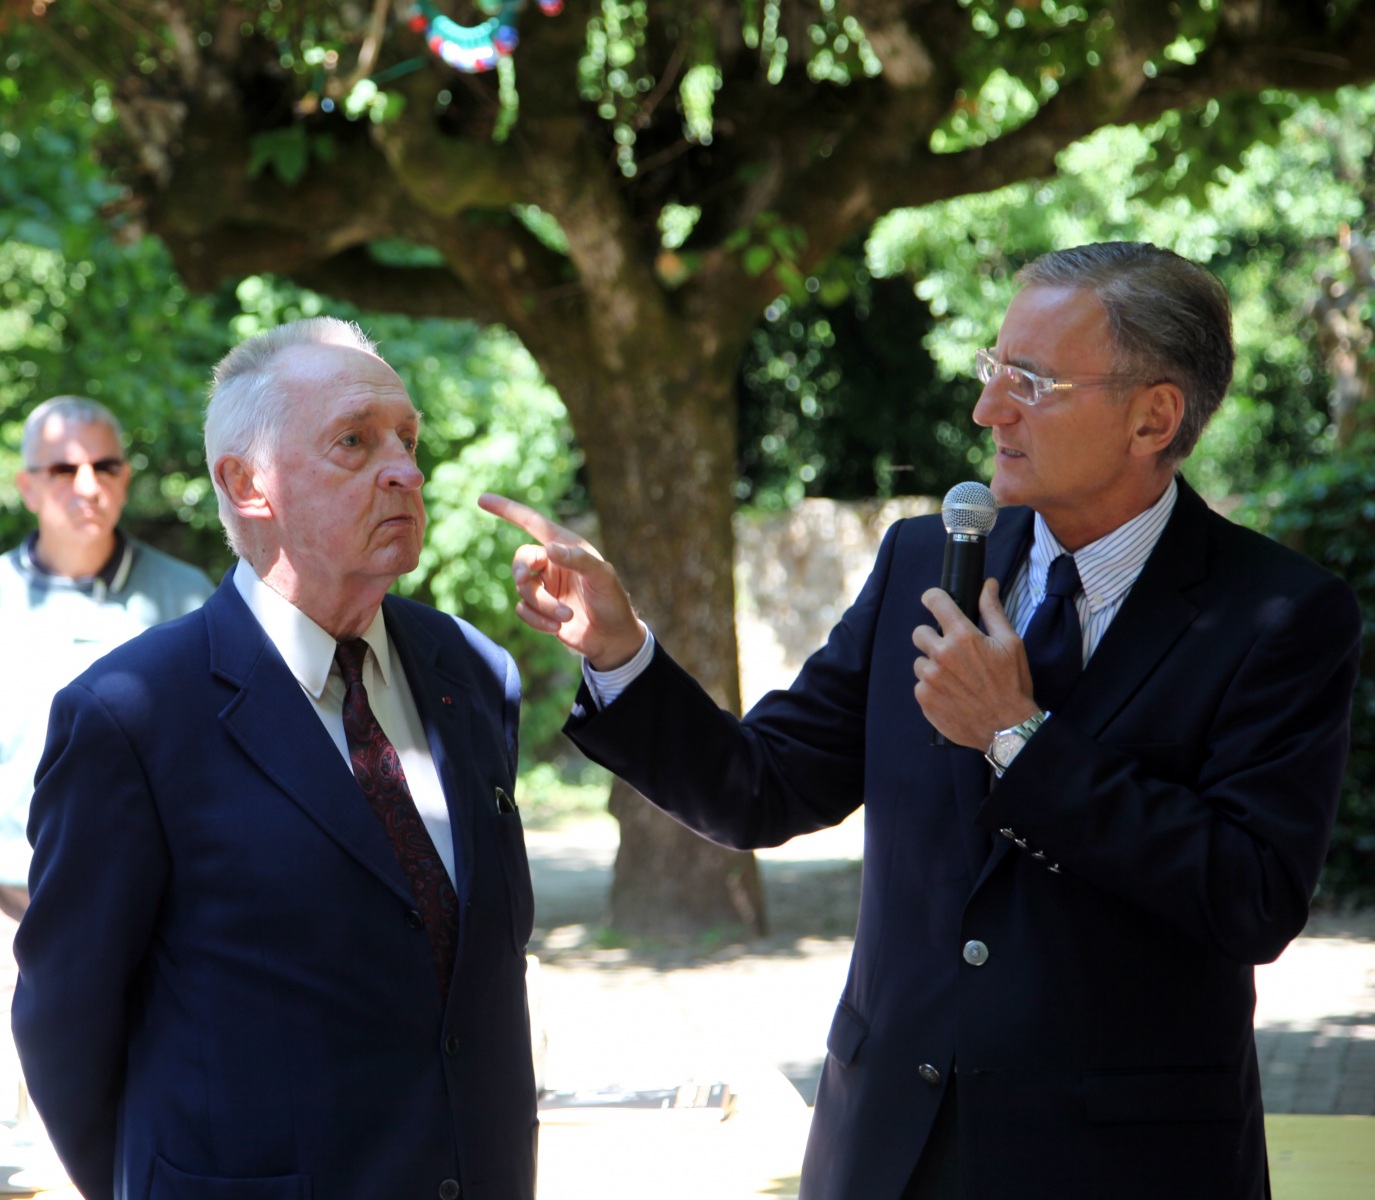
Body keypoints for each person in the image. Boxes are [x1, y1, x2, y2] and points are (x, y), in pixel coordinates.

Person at [480, 242, 1362, 1200]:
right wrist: (620, 652)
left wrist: (1017, 737)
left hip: (1122, 1163)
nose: (988, 410)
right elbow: (760, 788)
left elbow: (1250, 895)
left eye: (1031, 382)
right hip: (889, 1146)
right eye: (993, 369)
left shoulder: (1277, 613)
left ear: (1152, 416)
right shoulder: (919, 561)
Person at [13, 319, 538, 1200]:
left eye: (406, 439)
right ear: (246, 484)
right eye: (354, 442)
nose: (405, 470)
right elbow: (66, 1026)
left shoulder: (473, 673)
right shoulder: (130, 718)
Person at [1, 396, 215, 916]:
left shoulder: (188, 596)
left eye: (105, 466)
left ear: (125, 479)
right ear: (27, 487)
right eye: (63, 469)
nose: (87, 486)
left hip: (154, 904)